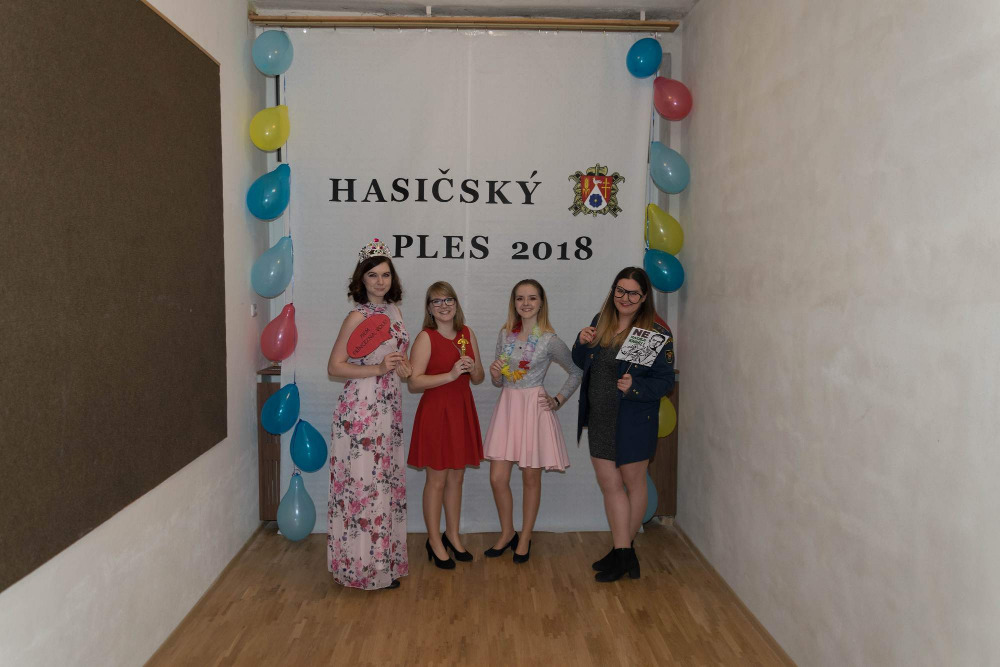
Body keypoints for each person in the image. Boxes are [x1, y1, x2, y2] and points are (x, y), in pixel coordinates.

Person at [572, 267, 674, 582]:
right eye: (620, 290)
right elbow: (581, 361)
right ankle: (623, 553)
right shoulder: (600, 321)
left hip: (634, 419)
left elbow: (665, 381)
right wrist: (581, 342)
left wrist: (636, 387)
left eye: (632, 293)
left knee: (634, 483)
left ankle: (623, 551)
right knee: (610, 485)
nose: (625, 298)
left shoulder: (653, 332)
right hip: (600, 418)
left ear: (644, 298)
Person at [326, 238, 412, 591]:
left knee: (383, 484)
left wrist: (403, 368)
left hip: (389, 406)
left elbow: (397, 357)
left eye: (385, 275)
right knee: (364, 487)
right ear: (361, 279)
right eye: (373, 275)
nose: (380, 281)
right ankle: (362, 569)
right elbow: (334, 366)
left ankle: (383, 565)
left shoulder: (395, 313)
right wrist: (377, 369)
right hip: (361, 409)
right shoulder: (356, 317)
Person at [483, 279, 582, 563]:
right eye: (520, 298)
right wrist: (496, 374)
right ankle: (507, 532)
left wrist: (558, 400)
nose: (525, 303)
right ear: (513, 303)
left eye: (532, 298)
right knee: (497, 478)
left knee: (530, 477)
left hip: (534, 409)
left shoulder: (550, 340)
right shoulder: (505, 334)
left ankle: (525, 536)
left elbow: (576, 371)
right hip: (508, 407)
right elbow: (500, 379)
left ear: (541, 303)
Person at [407, 282, 485, 569]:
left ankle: (452, 534)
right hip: (436, 413)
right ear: (429, 308)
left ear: (456, 303)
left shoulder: (467, 333)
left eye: (448, 299)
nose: (443, 305)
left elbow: (478, 378)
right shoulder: (426, 337)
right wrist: (450, 375)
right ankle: (434, 540)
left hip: (461, 410)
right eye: (436, 301)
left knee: (457, 478)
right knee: (437, 480)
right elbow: (414, 382)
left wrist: (473, 369)